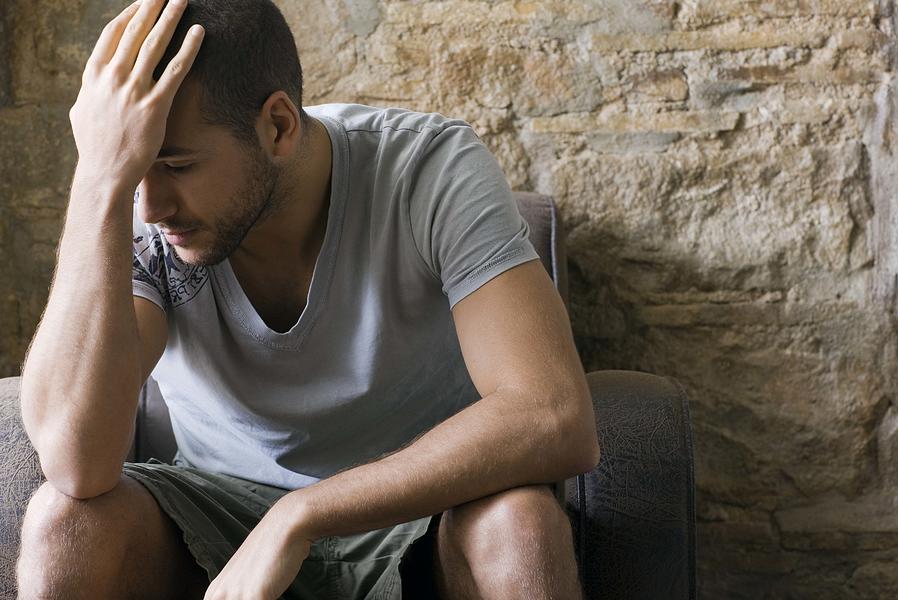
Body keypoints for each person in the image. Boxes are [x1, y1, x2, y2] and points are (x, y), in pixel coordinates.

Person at [15, 0, 600, 598]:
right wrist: (97, 179)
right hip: (216, 515)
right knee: (64, 525)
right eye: (133, 168)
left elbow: (551, 414)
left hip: (424, 512)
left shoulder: (428, 171)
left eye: (178, 165)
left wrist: (300, 515)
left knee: (519, 525)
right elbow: (75, 462)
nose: (150, 206)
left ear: (278, 126)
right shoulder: (133, 208)